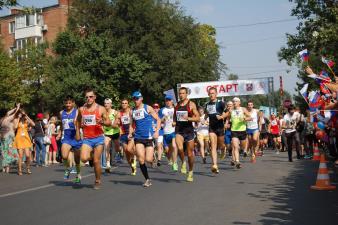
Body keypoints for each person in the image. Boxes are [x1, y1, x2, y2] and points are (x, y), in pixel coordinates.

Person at [76, 89, 111, 189]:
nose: (88, 99)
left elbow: (109, 122)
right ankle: (91, 155)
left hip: (99, 138)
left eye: (91, 97)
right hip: (87, 138)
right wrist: (78, 132)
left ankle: (97, 180)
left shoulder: (101, 109)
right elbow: (78, 121)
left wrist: (102, 122)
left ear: (94, 97)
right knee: (83, 158)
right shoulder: (81, 109)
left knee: (96, 161)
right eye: (87, 97)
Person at [129, 91, 161, 187]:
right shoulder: (132, 111)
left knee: (148, 159)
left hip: (148, 137)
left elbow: (158, 119)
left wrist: (157, 131)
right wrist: (130, 133)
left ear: (141, 98)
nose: (136, 101)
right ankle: (147, 179)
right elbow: (131, 125)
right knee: (141, 160)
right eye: (134, 99)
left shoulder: (148, 108)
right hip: (138, 137)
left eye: (137, 98)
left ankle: (152, 160)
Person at [173, 87, 200, 182]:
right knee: (179, 148)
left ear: (186, 94)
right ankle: (183, 162)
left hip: (189, 131)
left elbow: (198, 118)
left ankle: (191, 171)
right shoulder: (177, 105)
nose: (181, 95)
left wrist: (188, 118)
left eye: (183, 93)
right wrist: (174, 122)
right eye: (180, 93)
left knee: (190, 154)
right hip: (179, 130)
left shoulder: (191, 104)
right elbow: (175, 117)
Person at [58, 96, 82, 183]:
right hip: (67, 137)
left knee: (77, 159)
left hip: (76, 137)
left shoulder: (77, 112)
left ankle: (78, 175)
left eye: (70, 103)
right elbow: (61, 124)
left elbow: (81, 123)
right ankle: (68, 168)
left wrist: (77, 123)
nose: (68, 105)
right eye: (66, 103)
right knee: (64, 155)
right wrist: (60, 133)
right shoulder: (61, 113)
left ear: (73, 103)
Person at [224, 97, 252, 169]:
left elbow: (250, 117)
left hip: (242, 130)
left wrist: (245, 118)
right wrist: (226, 123)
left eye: (236, 101)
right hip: (234, 131)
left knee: (242, 147)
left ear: (239, 103)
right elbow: (227, 117)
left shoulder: (243, 109)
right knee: (235, 146)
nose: (234, 102)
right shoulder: (231, 110)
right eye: (233, 101)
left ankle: (240, 153)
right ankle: (237, 161)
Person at [205, 87, 226, 173]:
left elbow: (227, 112)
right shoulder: (207, 104)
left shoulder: (220, 103)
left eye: (213, 93)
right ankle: (215, 165)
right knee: (213, 146)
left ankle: (223, 149)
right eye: (210, 93)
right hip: (212, 127)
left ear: (216, 94)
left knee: (221, 145)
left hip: (220, 127)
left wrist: (221, 117)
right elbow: (207, 114)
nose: (211, 95)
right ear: (208, 94)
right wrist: (204, 119)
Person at [114, 99, 136, 175]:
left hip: (131, 133)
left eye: (125, 103)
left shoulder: (131, 112)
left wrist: (134, 130)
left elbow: (136, 121)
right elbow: (116, 124)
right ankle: (132, 166)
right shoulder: (119, 113)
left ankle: (135, 156)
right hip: (123, 134)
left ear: (128, 104)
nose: (124, 104)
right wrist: (116, 123)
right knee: (126, 153)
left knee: (129, 149)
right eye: (122, 103)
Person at [13, 109, 35, 175]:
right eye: (21, 114)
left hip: (26, 139)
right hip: (19, 139)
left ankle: (28, 168)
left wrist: (26, 116)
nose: (22, 115)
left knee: (28, 155)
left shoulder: (26, 120)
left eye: (23, 114)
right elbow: (15, 127)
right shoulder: (16, 119)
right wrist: (18, 118)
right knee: (20, 155)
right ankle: (19, 170)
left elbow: (33, 124)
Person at [159, 95, 178, 171]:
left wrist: (175, 122)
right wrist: (162, 119)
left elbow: (179, 119)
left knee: (174, 146)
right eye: (166, 100)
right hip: (165, 132)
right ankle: (170, 159)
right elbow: (159, 121)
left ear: (172, 101)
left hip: (173, 131)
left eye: (169, 100)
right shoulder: (162, 110)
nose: (168, 102)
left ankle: (175, 163)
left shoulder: (175, 109)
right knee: (167, 150)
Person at [0, 104, 20, 173]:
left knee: (3, 151)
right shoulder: (7, 119)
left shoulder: (1, 120)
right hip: (8, 138)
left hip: (3, 137)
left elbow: (9, 113)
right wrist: (18, 108)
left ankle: (4, 167)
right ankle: (7, 168)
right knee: (8, 152)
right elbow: (15, 115)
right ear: (5, 113)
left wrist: (15, 108)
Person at [103, 98, 120, 172]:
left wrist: (112, 124)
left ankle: (117, 154)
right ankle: (108, 164)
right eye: (105, 103)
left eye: (108, 103)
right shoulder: (102, 112)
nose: (106, 105)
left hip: (115, 132)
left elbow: (116, 125)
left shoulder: (115, 112)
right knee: (107, 148)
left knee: (117, 148)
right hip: (107, 133)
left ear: (111, 104)